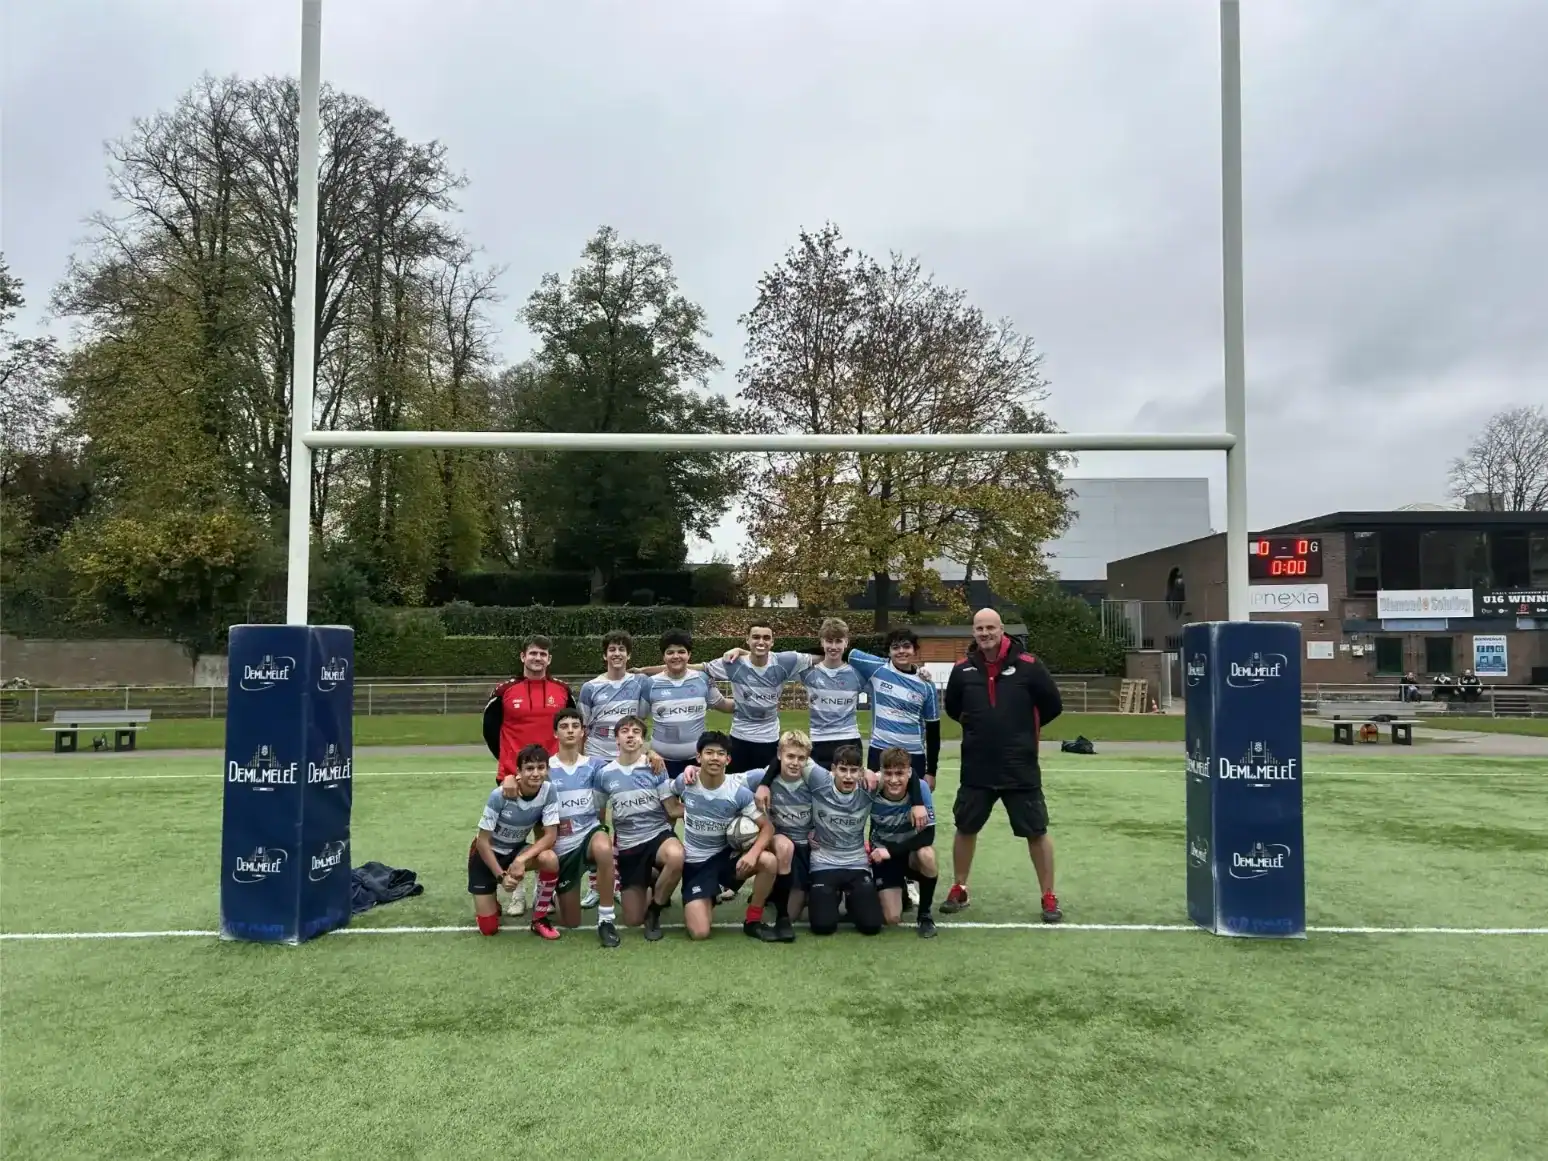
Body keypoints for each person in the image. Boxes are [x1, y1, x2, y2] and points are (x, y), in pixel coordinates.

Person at [941, 608, 1064, 922]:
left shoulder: (1029, 667)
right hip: (977, 768)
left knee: (1036, 831)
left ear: (1002, 630)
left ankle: (1048, 896)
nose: (985, 634)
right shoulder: (962, 670)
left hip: (1019, 767)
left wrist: (1021, 732)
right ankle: (960, 887)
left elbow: (1052, 705)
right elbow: (954, 708)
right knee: (965, 827)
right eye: (979, 628)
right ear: (974, 632)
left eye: (990, 628)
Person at [481, 634, 574, 918]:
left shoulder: (562, 691)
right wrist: (509, 771)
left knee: (547, 837)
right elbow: (490, 730)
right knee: (510, 837)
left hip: (551, 776)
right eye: (533, 653)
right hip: (513, 776)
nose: (537, 658)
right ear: (523, 657)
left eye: (543, 655)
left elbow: (572, 728)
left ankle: (542, 891)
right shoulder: (504, 691)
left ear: (549, 659)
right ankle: (516, 893)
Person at [665, 730, 780, 941]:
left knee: (769, 861)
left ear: (728, 759)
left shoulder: (737, 792)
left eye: (720, 754)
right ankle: (706, 895)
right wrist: (678, 810)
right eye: (709, 753)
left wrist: (752, 854)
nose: (715, 758)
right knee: (700, 933)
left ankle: (753, 920)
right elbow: (666, 790)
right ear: (698, 757)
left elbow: (768, 828)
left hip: (726, 859)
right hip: (696, 865)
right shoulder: (686, 782)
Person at [592, 715, 685, 942]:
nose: (630, 735)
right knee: (633, 919)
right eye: (624, 731)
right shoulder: (604, 774)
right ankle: (653, 877)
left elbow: (672, 810)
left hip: (657, 835)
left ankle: (655, 910)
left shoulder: (655, 766)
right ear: (617, 739)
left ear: (643, 740)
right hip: (628, 846)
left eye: (636, 731)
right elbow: (598, 813)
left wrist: (705, 807)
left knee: (676, 856)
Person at [468, 742, 562, 940]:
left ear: (547, 769)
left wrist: (520, 860)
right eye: (529, 768)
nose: (535, 773)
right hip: (486, 856)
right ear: (518, 771)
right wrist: (501, 877)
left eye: (540, 768)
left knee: (550, 858)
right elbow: (483, 842)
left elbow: (550, 835)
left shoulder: (548, 791)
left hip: (514, 852)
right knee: (489, 929)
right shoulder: (499, 795)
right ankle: (492, 899)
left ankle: (540, 918)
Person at [544, 707, 621, 947]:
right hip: (562, 847)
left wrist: (651, 755)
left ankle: (606, 919)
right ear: (555, 733)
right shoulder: (545, 768)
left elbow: (627, 763)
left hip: (588, 835)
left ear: (582, 732)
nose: (570, 731)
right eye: (564, 727)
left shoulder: (596, 766)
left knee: (604, 847)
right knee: (571, 922)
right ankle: (556, 892)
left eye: (575, 726)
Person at [702, 623, 815, 772]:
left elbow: (825, 655)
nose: (761, 641)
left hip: (769, 739)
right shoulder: (733, 663)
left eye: (766, 638)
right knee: (736, 788)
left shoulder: (785, 661)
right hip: (739, 738)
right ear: (747, 640)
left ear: (772, 642)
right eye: (756, 637)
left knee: (765, 789)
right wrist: (662, 671)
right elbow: (701, 669)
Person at [802, 744, 884, 937]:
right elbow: (789, 752)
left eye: (854, 770)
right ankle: (832, 895)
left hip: (857, 863)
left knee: (871, 926)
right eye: (843, 769)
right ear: (833, 770)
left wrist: (873, 773)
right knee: (823, 927)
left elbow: (908, 774)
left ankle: (852, 899)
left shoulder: (868, 786)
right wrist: (763, 785)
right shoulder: (819, 780)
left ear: (860, 772)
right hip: (823, 862)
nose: (848, 776)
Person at [847, 628, 942, 791]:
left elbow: (933, 732)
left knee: (914, 808)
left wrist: (931, 771)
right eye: (895, 647)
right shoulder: (877, 668)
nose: (901, 651)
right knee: (877, 806)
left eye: (906, 646)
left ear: (914, 650)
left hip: (914, 756)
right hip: (880, 751)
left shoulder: (927, 685)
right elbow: (839, 650)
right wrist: (803, 657)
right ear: (889, 651)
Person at [868, 746, 939, 938]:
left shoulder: (921, 789)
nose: (893, 779)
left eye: (899, 773)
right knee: (892, 918)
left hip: (906, 853)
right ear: (881, 772)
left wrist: (891, 851)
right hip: (882, 855)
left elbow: (927, 835)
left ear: (909, 772)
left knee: (928, 855)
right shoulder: (873, 788)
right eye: (888, 773)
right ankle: (902, 890)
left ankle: (924, 915)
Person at [642, 629, 734, 777]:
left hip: (697, 761)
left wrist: (752, 703)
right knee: (666, 800)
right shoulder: (651, 683)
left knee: (695, 800)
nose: (676, 656)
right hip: (661, 762)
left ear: (689, 655)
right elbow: (637, 722)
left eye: (681, 651)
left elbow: (722, 704)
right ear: (663, 656)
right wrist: (648, 751)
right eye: (670, 652)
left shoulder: (703, 679)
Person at [797, 618, 867, 769]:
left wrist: (917, 670)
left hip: (849, 740)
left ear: (846, 643)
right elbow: (771, 660)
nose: (833, 646)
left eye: (838, 641)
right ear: (821, 642)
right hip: (819, 741)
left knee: (848, 790)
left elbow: (889, 670)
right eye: (829, 641)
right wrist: (741, 651)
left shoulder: (857, 674)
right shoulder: (807, 672)